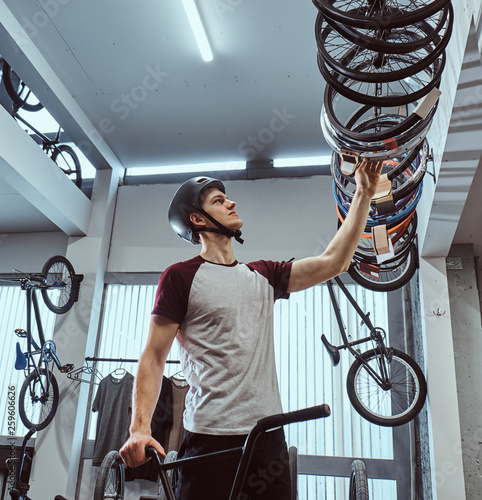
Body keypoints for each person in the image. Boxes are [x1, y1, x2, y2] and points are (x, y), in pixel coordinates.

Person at [120, 160, 383, 498]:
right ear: (197, 220)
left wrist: (363, 192)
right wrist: (139, 428)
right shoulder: (180, 277)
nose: (231, 202)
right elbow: (154, 357)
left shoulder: (264, 274)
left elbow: (335, 262)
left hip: (267, 439)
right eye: (218, 200)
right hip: (209, 441)